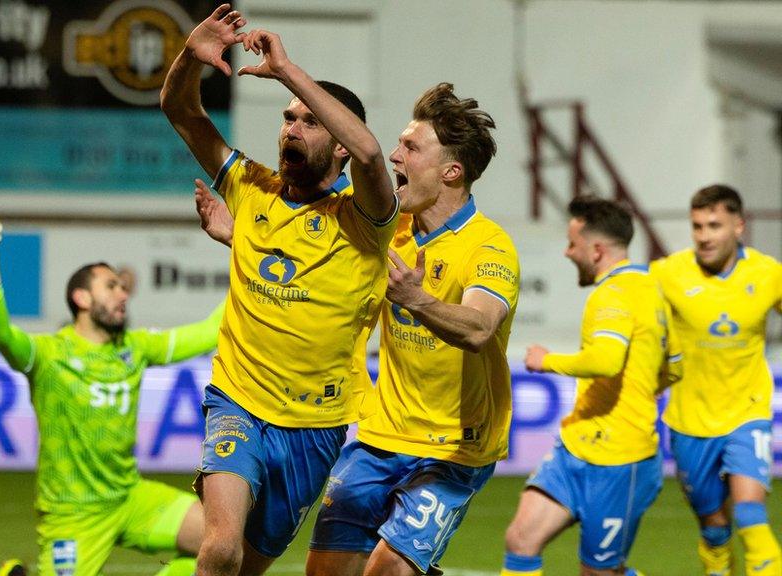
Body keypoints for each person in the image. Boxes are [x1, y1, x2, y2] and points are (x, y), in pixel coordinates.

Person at [196, 79, 519, 576]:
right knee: (323, 572)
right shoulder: (383, 226)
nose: (394, 156)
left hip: (453, 450)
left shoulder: (488, 248)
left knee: (387, 571)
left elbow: (479, 328)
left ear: (451, 171)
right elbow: (305, 248)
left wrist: (416, 298)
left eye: (411, 148)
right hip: (380, 436)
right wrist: (239, 238)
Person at [161, 6, 399, 576]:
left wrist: (287, 68)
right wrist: (189, 57)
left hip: (314, 427)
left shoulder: (367, 217)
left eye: (308, 120)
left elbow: (369, 152)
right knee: (218, 546)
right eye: (287, 118)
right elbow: (180, 110)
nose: (291, 127)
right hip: (238, 401)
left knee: (246, 566)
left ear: (337, 142)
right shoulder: (251, 187)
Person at [0, 209, 224, 576]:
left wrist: (253, 260)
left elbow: (209, 331)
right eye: (111, 286)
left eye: (123, 287)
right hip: (73, 514)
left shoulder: (135, 348)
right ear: (82, 298)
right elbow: (3, 336)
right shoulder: (49, 354)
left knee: (226, 541)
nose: (123, 293)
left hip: (131, 498)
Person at [500, 196, 682, 576]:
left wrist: (545, 361)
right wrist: (649, 381)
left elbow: (606, 360)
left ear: (597, 250)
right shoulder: (652, 289)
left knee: (599, 572)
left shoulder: (612, 293)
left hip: (619, 459)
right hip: (577, 445)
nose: (568, 253)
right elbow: (676, 365)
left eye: (573, 244)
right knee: (521, 538)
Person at [649, 184, 782, 576]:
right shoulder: (667, 273)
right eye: (697, 227)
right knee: (715, 529)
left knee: (751, 517)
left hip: (748, 412)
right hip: (690, 423)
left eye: (714, 225)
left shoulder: (768, 273)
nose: (704, 236)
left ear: (738, 226)